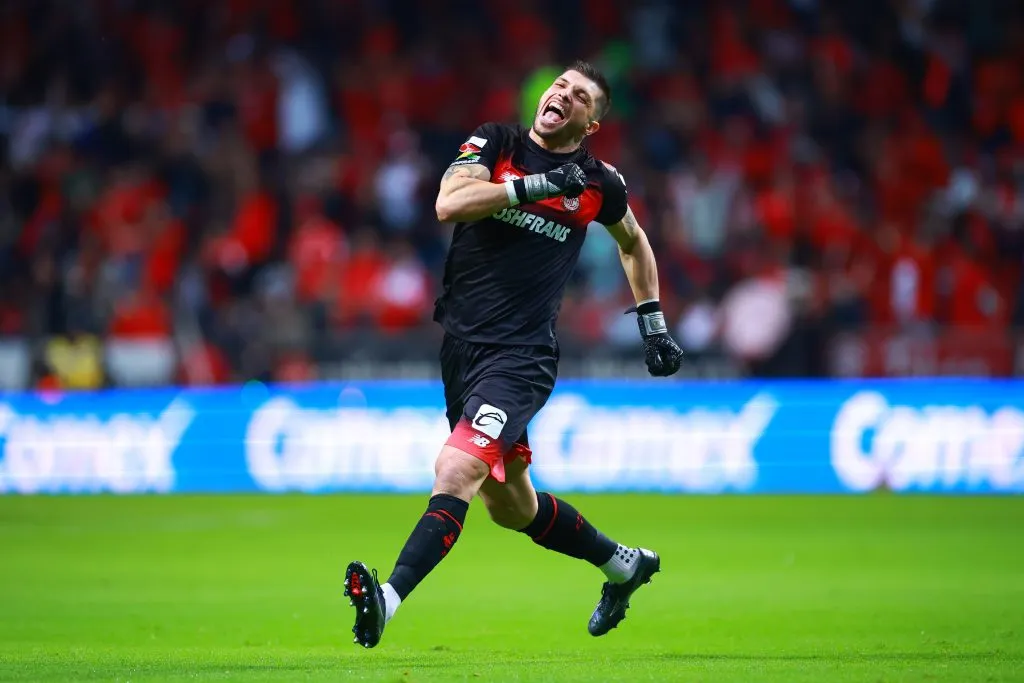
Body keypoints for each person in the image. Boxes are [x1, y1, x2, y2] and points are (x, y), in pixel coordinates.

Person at [345, 60, 684, 648]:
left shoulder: (600, 183)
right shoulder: (496, 143)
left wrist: (652, 323)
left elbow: (633, 241)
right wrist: (535, 186)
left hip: (521, 357)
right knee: (511, 507)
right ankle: (623, 565)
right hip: (461, 350)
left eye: (580, 96)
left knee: (456, 470)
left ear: (591, 124)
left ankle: (387, 600)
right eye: (560, 86)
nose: (564, 95)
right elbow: (449, 203)